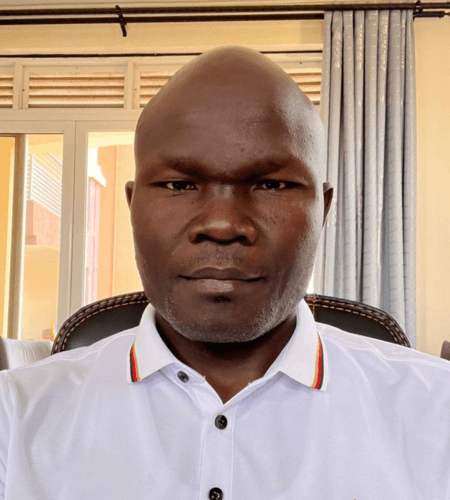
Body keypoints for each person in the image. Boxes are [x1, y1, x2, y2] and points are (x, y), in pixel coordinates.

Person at [0, 46, 449, 500]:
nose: (222, 224)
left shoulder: (436, 412)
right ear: (132, 206)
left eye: (271, 184)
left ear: (322, 210)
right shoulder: (15, 417)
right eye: (179, 184)